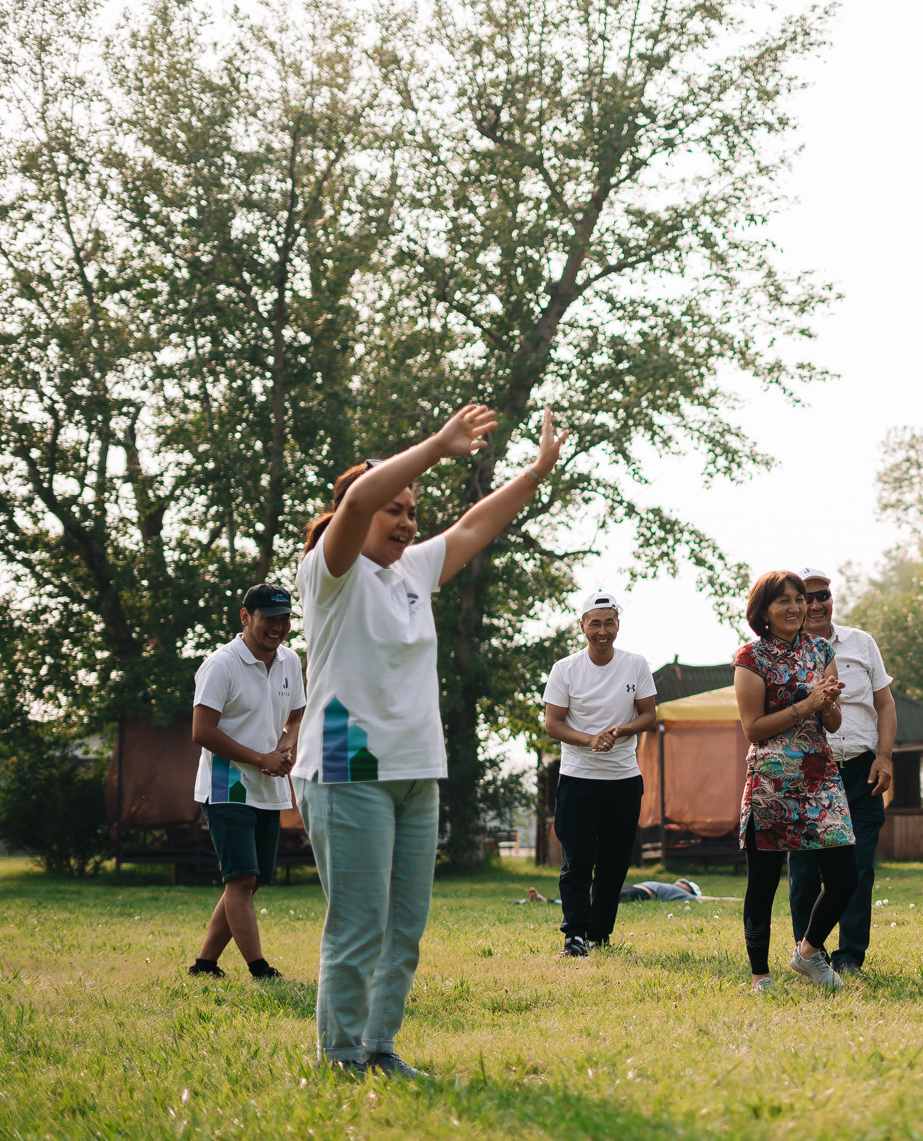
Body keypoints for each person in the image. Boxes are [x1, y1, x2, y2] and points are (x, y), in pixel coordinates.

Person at [293, 403, 565, 1076]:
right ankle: (339, 1056)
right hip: (342, 758)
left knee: (404, 926)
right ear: (358, 512)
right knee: (358, 924)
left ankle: (378, 1047)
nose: (408, 519)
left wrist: (535, 472)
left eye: (414, 510)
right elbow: (359, 497)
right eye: (396, 507)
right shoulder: (329, 574)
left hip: (416, 762)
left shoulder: (412, 572)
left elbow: (476, 524)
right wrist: (439, 446)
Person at [733, 569, 857, 993]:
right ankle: (759, 976)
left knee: (845, 876)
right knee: (763, 884)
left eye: (800, 599)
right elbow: (753, 728)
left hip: (820, 777)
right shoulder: (751, 658)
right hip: (772, 781)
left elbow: (835, 724)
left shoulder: (821, 650)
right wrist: (807, 703)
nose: (796, 607)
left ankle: (807, 953)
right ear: (764, 610)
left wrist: (830, 702)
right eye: (784, 600)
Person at [187, 584, 306, 980]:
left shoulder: (289, 661)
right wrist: (260, 758)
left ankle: (205, 964)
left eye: (285, 618)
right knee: (241, 879)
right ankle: (260, 969)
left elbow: (296, 714)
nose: (279, 627)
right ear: (245, 617)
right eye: (270, 618)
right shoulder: (221, 665)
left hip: (268, 786)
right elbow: (202, 731)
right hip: (227, 785)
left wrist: (286, 746)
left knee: (249, 884)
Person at [789, 565, 896, 975]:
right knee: (805, 873)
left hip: (862, 770)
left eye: (822, 596)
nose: (815, 604)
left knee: (859, 868)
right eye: (805, 597)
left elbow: (884, 704)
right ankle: (810, 954)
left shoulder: (861, 642)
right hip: (807, 773)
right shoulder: (782, 652)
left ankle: (850, 957)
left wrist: (884, 757)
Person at [542, 592, 659, 956]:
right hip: (578, 779)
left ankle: (599, 935)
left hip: (624, 781)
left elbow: (648, 716)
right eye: (595, 623)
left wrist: (621, 731)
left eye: (609, 622)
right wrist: (589, 739)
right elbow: (552, 724)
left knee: (614, 863)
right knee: (577, 860)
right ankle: (574, 935)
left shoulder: (636, 664)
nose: (602, 630)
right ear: (582, 627)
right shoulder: (565, 669)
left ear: (618, 626)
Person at [619, 878, 706, 902]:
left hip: (642, 892)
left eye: (685, 884)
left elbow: (699, 898)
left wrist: (719, 899)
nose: (681, 882)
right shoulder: (670, 886)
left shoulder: (683, 894)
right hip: (635, 887)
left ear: (689, 890)